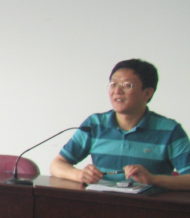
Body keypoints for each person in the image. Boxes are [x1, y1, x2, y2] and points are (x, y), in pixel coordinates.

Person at [50, 59, 190, 189]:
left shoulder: (170, 130)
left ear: (147, 93)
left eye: (127, 85)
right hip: (101, 203)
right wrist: (80, 175)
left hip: (148, 205)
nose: (117, 91)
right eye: (113, 84)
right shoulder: (95, 124)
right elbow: (57, 165)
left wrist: (154, 179)